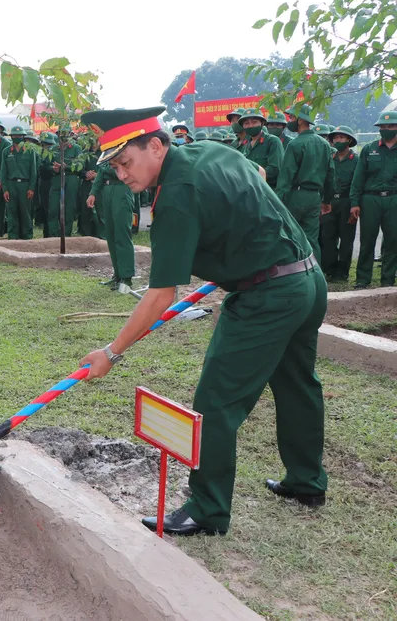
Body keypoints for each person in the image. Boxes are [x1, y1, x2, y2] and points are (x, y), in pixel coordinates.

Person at [79, 106, 327, 537]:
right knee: (297, 384)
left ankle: (208, 509)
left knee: (215, 404)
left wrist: (110, 353)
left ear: (155, 146)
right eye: (115, 166)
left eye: (125, 162)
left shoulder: (175, 195)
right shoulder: (210, 149)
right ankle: (306, 482)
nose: (121, 174)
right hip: (306, 278)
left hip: (266, 297)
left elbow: (160, 296)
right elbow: (258, 178)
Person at [276, 104, 334, 263]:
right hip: (315, 197)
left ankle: (293, 275)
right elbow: (330, 175)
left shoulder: (294, 144)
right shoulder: (324, 144)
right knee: (312, 239)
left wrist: (278, 200)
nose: (290, 121)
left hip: (296, 195)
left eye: (292, 117)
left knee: (291, 236)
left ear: (301, 120)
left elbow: (286, 176)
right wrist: (327, 200)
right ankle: (315, 274)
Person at [350, 110, 397, 288]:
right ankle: (362, 280)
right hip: (370, 200)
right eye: (383, 127)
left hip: (394, 199)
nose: (386, 129)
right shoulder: (370, 149)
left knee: (393, 241)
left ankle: (388, 280)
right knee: (367, 241)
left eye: (390, 126)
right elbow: (358, 178)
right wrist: (354, 202)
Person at [87, 145, 136, 291]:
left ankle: (126, 277)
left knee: (122, 235)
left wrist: (109, 165)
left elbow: (120, 171)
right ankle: (117, 275)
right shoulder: (107, 151)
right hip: (107, 192)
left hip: (122, 191)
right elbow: (102, 173)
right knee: (111, 235)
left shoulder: (125, 150)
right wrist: (93, 193)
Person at [320, 125, 359, 282]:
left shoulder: (356, 160)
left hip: (346, 201)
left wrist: (355, 204)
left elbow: (358, 183)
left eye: (341, 137)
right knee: (327, 237)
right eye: (335, 138)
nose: (338, 140)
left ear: (349, 140)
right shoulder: (329, 158)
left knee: (346, 238)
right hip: (329, 201)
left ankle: (342, 273)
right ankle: (329, 270)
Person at [1, 125, 38, 239]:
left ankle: (27, 236)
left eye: (20, 135)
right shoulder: (6, 151)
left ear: (23, 137)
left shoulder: (30, 151)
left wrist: (31, 188)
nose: (17, 137)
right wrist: (5, 189)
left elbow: (33, 171)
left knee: (25, 212)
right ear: (11, 137)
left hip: (25, 185)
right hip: (11, 185)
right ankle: (13, 236)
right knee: (12, 212)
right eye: (15, 135)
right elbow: (3, 171)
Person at [239, 108, 285, 190]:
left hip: (268, 190)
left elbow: (275, 170)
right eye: (246, 123)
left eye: (254, 122)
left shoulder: (272, 141)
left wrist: (251, 174)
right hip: (251, 190)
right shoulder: (245, 145)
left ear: (262, 123)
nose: (250, 126)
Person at [57, 130, 85, 236]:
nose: (63, 136)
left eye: (66, 133)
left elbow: (80, 166)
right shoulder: (55, 148)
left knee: (68, 207)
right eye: (61, 134)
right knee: (56, 208)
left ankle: (66, 233)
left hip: (71, 179)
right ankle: (55, 234)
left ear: (71, 135)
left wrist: (67, 167)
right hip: (57, 179)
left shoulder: (76, 148)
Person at [38, 132, 61, 238]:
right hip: (43, 182)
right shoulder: (39, 153)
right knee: (44, 208)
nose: (46, 146)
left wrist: (53, 169)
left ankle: (55, 233)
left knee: (53, 209)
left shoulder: (55, 153)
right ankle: (47, 233)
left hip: (54, 181)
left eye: (48, 144)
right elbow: (40, 167)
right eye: (44, 144)